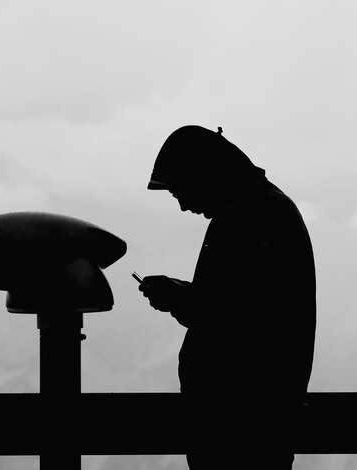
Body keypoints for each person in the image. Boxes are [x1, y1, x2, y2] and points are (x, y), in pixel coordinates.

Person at [139, 125, 316, 470]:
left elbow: (237, 321)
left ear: (204, 173)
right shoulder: (258, 211)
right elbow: (235, 304)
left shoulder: (253, 217)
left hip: (241, 433)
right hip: (246, 428)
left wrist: (179, 298)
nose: (184, 206)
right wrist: (182, 295)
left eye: (182, 191)